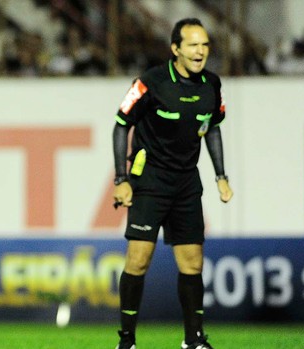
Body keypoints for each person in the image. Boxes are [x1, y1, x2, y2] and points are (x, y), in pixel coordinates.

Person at [111, 18, 233, 349]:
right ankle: (127, 341)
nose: (201, 51)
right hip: (149, 180)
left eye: (205, 44)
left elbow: (213, 127)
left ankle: (194, 340)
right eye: (193, 45)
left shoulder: (212, 84)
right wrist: (122, 180)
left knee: (193, 263)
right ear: (176, 49)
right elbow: (122, 124)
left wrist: (221, 176)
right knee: (137, 260)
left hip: (186, 183)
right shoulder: (150, 82)